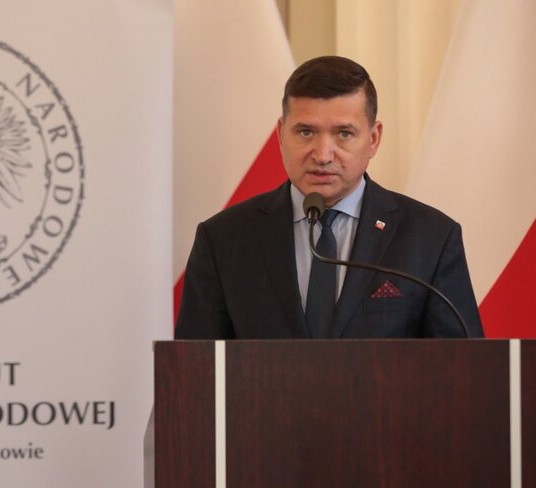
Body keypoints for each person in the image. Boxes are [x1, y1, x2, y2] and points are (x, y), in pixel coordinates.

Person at [175, 56, 484, 339]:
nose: (322, 155)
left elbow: (465, 375)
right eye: (306, 132)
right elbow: (194, 375)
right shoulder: (223, 240)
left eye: (344, 134)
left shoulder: (431, 237)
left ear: (373, 139)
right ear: (282, 135)